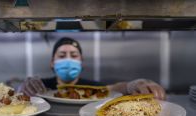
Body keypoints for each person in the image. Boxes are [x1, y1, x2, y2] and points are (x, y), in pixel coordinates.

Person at [21, 37, 166, 100]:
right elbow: (19, 97)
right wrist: (23, 88)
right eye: (62, 55)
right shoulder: (40, 86)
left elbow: (114, 88)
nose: (68, 59)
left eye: (73, 55)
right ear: (52, 62)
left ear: (81, 62)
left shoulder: (91, 88)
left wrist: (134, 84)